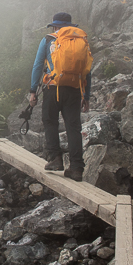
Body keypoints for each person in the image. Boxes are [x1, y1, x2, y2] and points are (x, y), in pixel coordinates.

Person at [28, 12, 91, 181]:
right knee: (73, 127)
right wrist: (86, 95)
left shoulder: (48, 39)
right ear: (71, 26)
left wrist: (33, 90)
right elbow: (87, 69)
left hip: (52, 87)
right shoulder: (81, 40)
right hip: (74, 89)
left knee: (50, 121)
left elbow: (38, 65)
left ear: (55, 26)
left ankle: (55, 159)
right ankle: (77, 168)